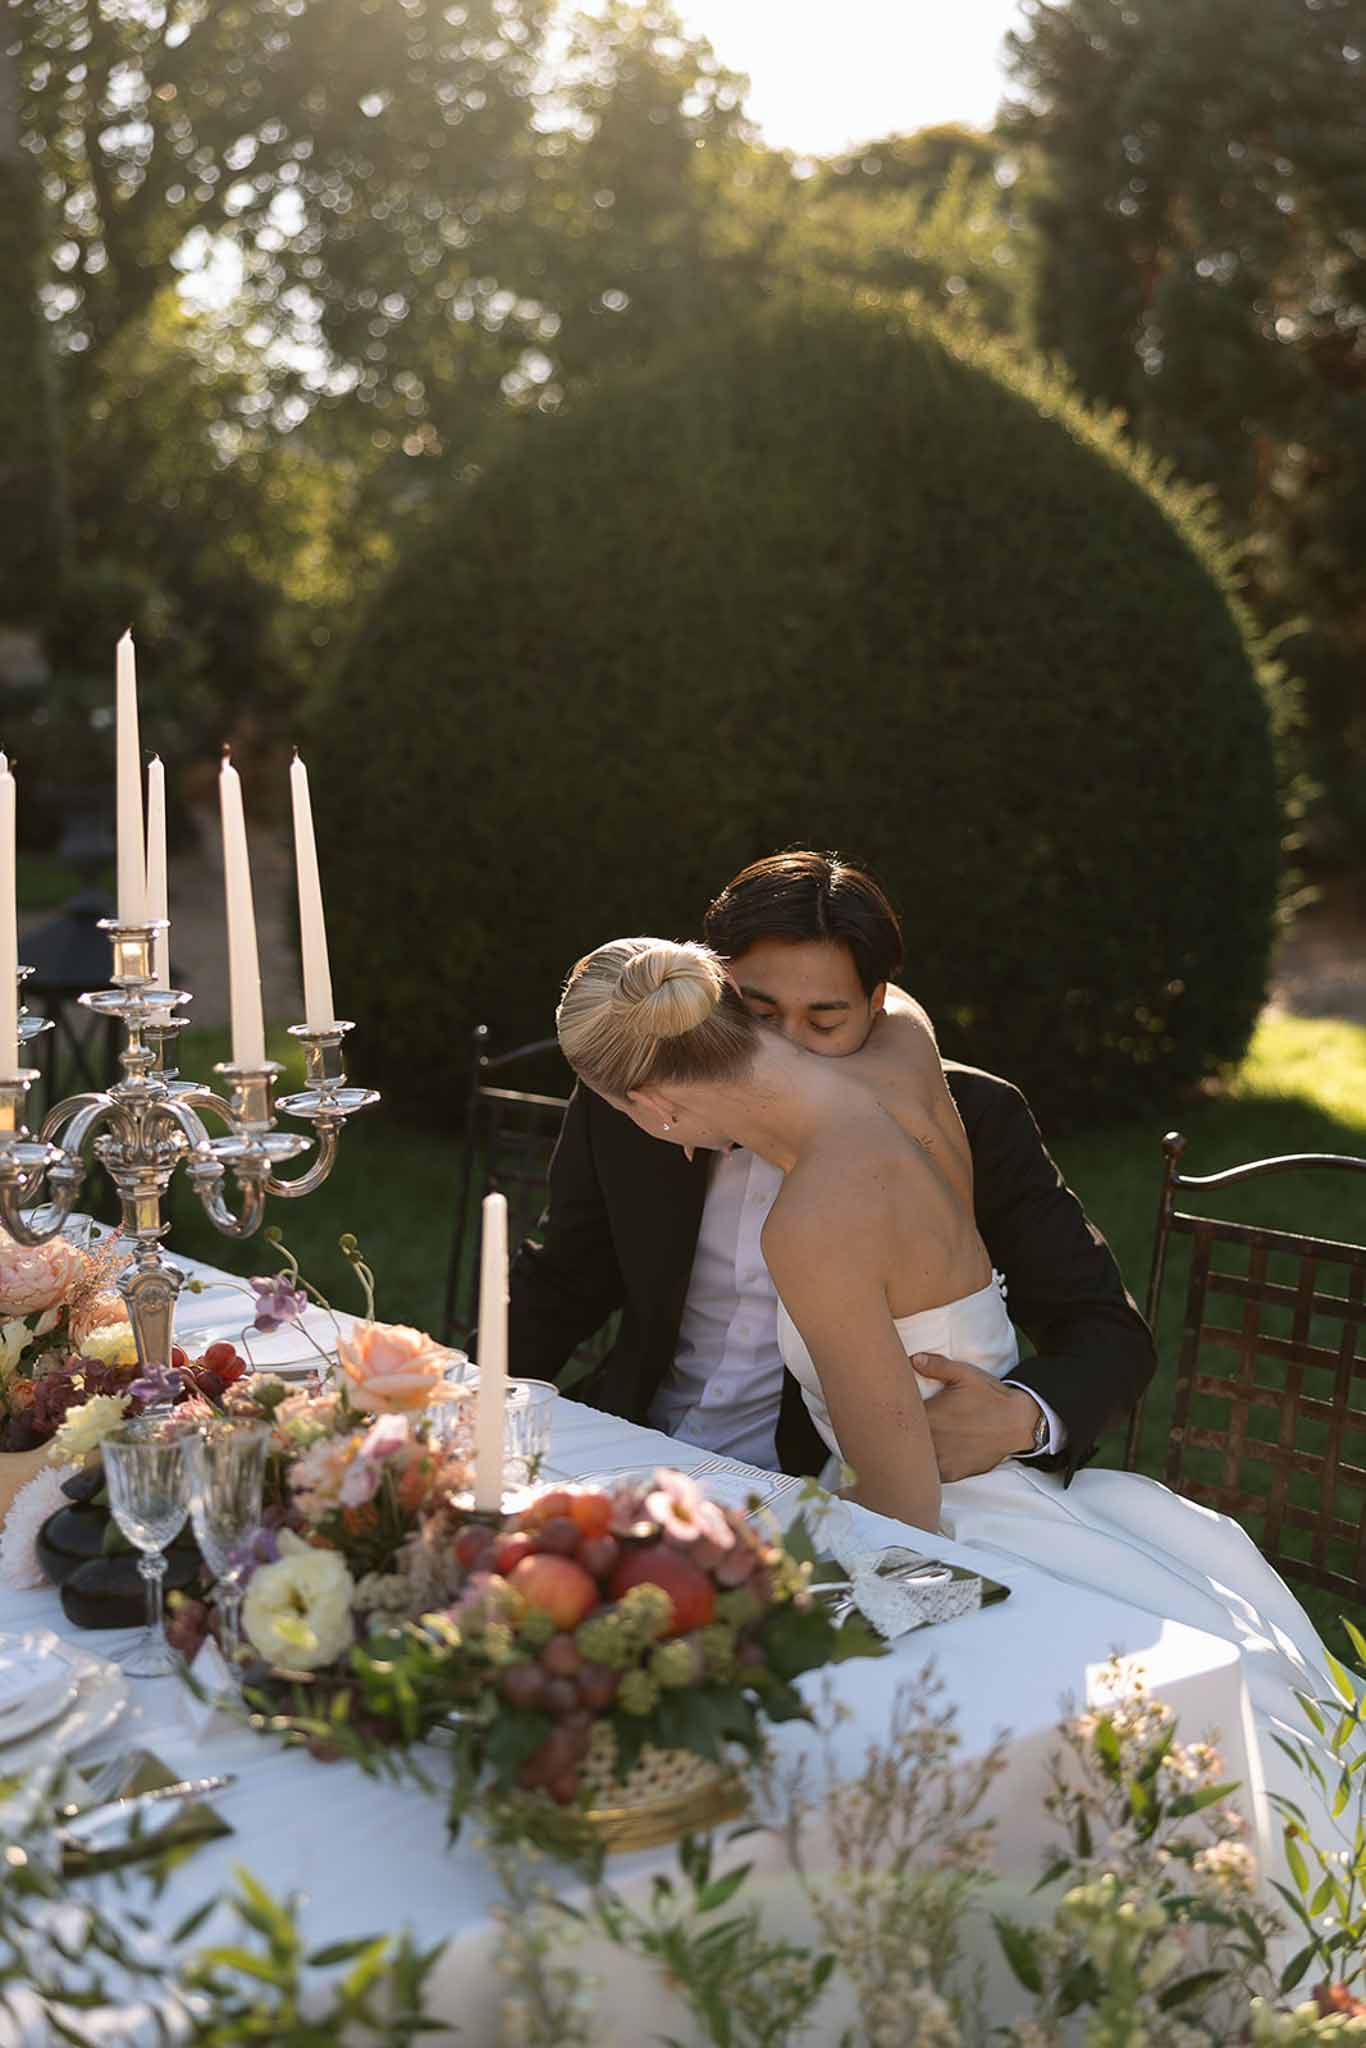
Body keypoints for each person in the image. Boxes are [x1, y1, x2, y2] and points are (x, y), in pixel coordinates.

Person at [554, 934, 1334, 1855]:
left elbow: (904, 1518)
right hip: (1028, 1489)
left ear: (650, 1102)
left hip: (970, 1538)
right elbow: (898, 1004)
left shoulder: (812, 1224)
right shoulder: (904, 1053)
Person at [510, 850, 1155, 1486]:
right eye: (758, 1014)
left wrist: (1024, 1418)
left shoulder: (972, 1117)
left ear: (875, 1005)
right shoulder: (640, 1099)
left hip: (818, 1488)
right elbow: (565, 1279)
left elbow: (1108, 1332)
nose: (785, 1047)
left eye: (824, 1020)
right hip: (635, 1443)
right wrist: (461, 1396)